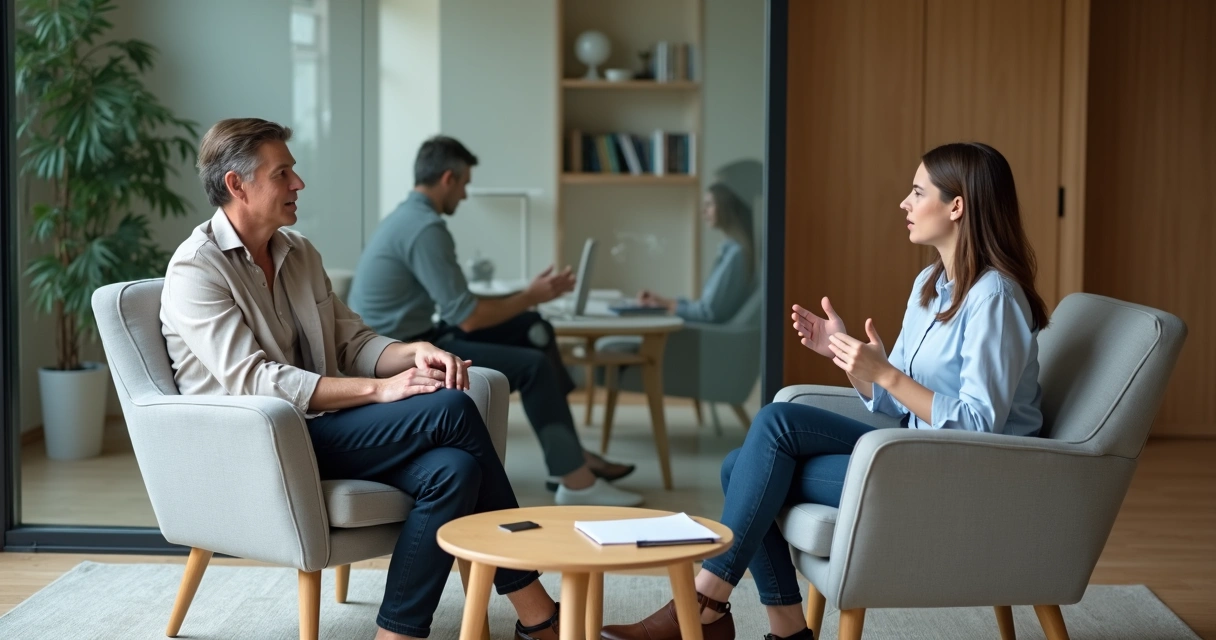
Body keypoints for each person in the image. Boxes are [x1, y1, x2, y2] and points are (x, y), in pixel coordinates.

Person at [600, 142, 1049, 640]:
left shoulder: (995, 297)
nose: (904, 202)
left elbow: (979, 424)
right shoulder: (930, 283)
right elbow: (893, 397)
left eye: (918, 192)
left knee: (757, 450)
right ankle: (777, 626)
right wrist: (848, 355)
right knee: (749, 454)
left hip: (963, 474)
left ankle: (706, 603)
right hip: (912, 447)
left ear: (956, 206)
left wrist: (885, 374)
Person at [161, 119, 566, 640]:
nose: (298, 183)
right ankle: (537, 613)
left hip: (317, 428)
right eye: (282, 173)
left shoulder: (299, 253)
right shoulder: (196, 270)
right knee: (450, 407)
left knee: (456, 470)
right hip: (258, 444)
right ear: (237, 185)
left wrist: (412, 352)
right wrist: (380, 389)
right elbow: (254, 381)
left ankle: (396, 634)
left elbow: (353, 342)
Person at [347, 135, 643, 507]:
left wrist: (529, 296)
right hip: (403, 355)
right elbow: (469, 318)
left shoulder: (409, 218)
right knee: (534, 367)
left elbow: (461, 304)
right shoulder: (425, 228)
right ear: (448, 179)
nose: (464, 195)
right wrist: (531, 295)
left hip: (418, 337)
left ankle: (567, 453)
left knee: (534, 328)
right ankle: (577, 481)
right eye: (465, 184)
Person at [635, 173, 758, 323]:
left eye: (709, 204)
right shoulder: (729, 252)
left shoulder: (737, 255)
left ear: (726, 207)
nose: (703, 211)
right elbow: (705, 306)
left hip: (709, 333)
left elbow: (708, 313)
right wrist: (663, 302)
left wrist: (668, 307)